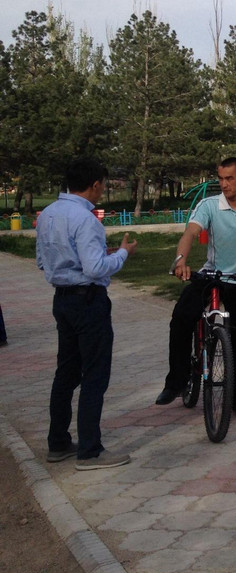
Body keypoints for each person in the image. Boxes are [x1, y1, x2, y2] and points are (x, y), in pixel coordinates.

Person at [36, 157, 137, 470]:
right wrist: (122, 253)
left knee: (66, 373)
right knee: (94, 374)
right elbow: (94, 268)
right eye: (103, 186)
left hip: (62, 300)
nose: (102, 191)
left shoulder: (48, 214)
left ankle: (59, 442)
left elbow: (43, 261)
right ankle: (90, 451)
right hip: (88, 301)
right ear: (95, 185)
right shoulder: (86, 219)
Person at [155, 157, 236, 416]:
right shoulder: (209, 205)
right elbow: (190, 232)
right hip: (212, 275)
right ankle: (177, 381)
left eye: (229, 178)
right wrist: (181, 260)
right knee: (181, 319)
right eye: (220, 179)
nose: (224, 184)